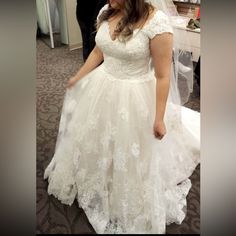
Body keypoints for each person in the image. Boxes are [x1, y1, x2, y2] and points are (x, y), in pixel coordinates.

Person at [44, 0, 200, 234]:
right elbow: (99, 50)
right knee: (95, 137)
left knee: (130, 148)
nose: (108, 0)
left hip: (135, 95)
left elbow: (163, 76)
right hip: (102, 87)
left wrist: (159, 118)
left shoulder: (157, 23)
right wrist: (78, 76)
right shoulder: (106, 12)